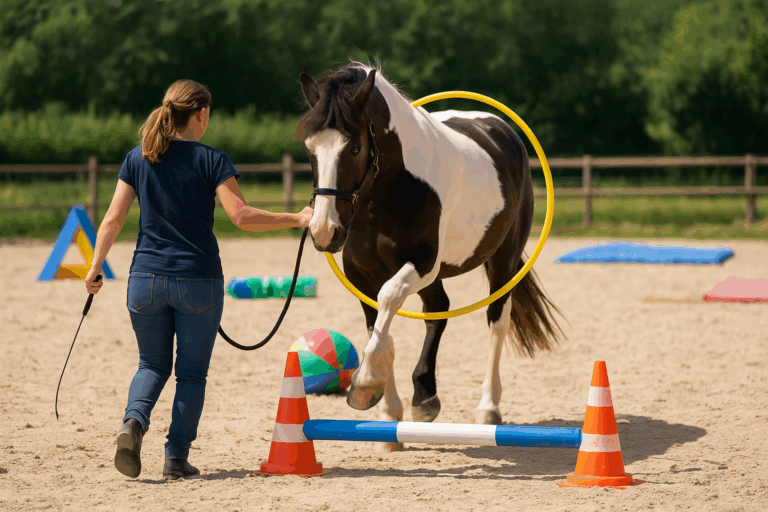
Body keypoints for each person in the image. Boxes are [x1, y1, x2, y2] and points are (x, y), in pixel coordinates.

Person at [83, 79, 313, 480]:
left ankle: (132, 425)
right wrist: (296, 218)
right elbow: (241, 216)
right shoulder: (211, 159)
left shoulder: (138, 157)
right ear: (201, 114)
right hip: (198, 281)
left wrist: (95, 265)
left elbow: (112, 218)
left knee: (151, 365)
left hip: (145, 280)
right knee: (191, 374)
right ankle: (175, 457)